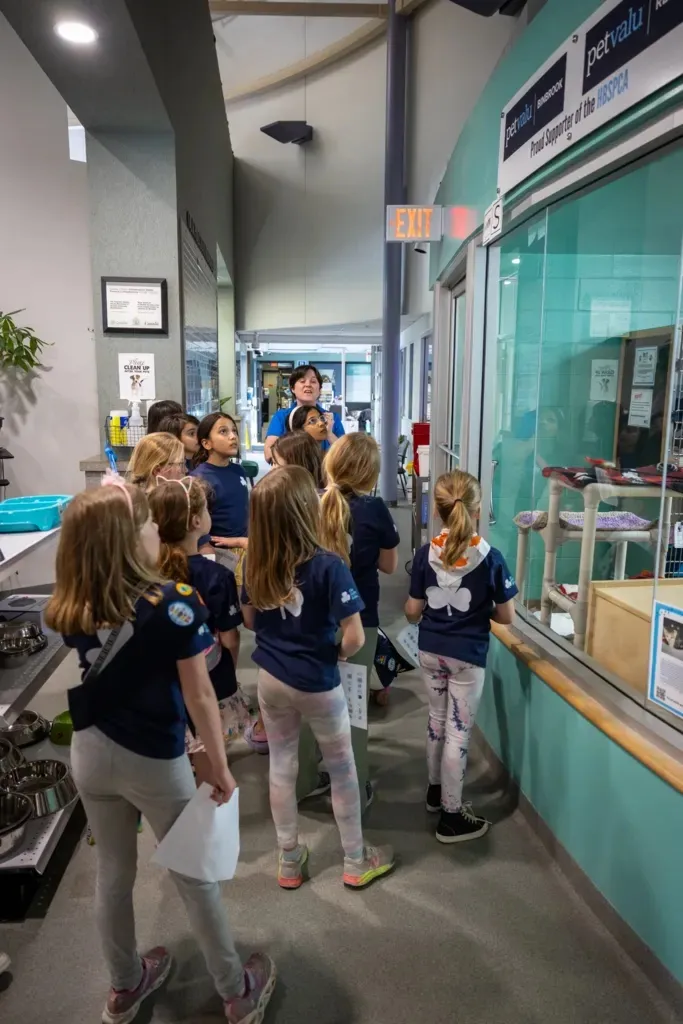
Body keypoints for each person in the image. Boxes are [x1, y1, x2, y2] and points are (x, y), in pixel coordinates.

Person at [44, 478, 275, 1024]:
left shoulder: (71, 604)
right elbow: (198, 694)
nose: (155, 531)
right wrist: (217, 765)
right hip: (153, 756)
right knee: (194, 876)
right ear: (127, 540)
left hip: (90, 752)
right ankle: (235, 989)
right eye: (146, 525)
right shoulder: (174, 602)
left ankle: (124, 984)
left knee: (113, 872)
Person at [241, 466, 394, 891]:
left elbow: (251, 618)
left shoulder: (254, 562)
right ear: (306, 509)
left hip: (270, 678)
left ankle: (289, 859)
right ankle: (354, 860)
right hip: (319, 682)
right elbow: (355, 636)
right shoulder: (329, 565)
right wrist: (331, 653)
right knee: (343, 769)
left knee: (282, 766)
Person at [404, 470, 517, 844]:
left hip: (430, 651)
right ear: (478, 510)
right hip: (468, 656)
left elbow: (411, 611)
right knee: (459, 732)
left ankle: (436, 792)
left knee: (436, 721)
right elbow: (506, 616)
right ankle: (452, 817)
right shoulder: (491, 558)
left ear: (436, 512)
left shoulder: (425, 554)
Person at [309, 433, 399, 806]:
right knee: (353, 711)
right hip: (360, 619)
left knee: (313, 707)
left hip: (314, 618)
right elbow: (389, 565)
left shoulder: (311, 503)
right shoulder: (374, 508)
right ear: (369, 472)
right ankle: (354, 788)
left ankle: (308, 779)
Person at [148, 477, 251, 783]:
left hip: (160, 684)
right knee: (210, 768)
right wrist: (229, 674)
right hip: (209, 680)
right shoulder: (216, 575)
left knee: (176, 763)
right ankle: (206, 822)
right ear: (196, 521)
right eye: (207, 508)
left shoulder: (147, 573)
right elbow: (230, 638)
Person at [191, 413, 249, 574]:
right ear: (207, 443)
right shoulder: (199, 478)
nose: (232, 436)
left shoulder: (238, 470)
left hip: (245, 546)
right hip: (219, 552)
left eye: (234, 431)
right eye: (223, 432)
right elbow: (194, 523)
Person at [264, 365, 344, 463]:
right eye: (302, 381)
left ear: (319, 389)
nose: (308, 384)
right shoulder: (281, 417)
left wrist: (329, 434)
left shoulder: (332, 419)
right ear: (292, 388)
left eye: (313, 381)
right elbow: (268, 454)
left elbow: (346, 455)